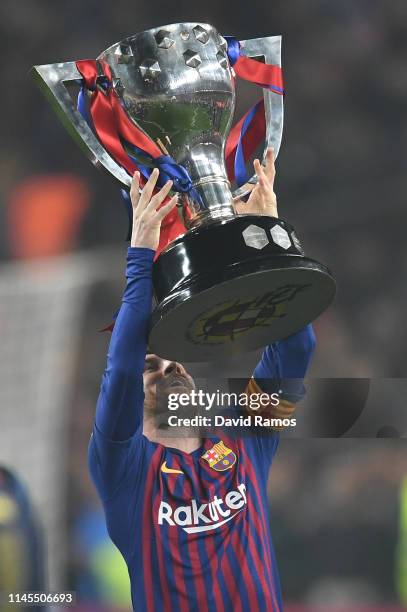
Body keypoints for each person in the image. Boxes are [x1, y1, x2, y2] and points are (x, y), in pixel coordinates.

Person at [88, 150, 316, 612]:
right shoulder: (124, 470)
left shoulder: (245, 434)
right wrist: (140, 256)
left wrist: (266, 239)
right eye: (152, 367)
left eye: (176, 363)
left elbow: (296, 348)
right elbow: (121, 368)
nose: (172, 370)